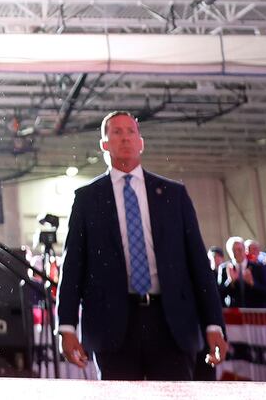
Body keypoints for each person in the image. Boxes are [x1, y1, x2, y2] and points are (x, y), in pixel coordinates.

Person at [56, 112, 229, 380]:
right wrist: (66, 326)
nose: (125, 137)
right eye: (116, 132)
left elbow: (198, 263)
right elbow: (73, 267)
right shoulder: (87, 199)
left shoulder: (174, 194)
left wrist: (214, 324)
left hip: (171, 322)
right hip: (112, 325)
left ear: (141, 142)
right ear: (104, 144)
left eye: (131, 131)